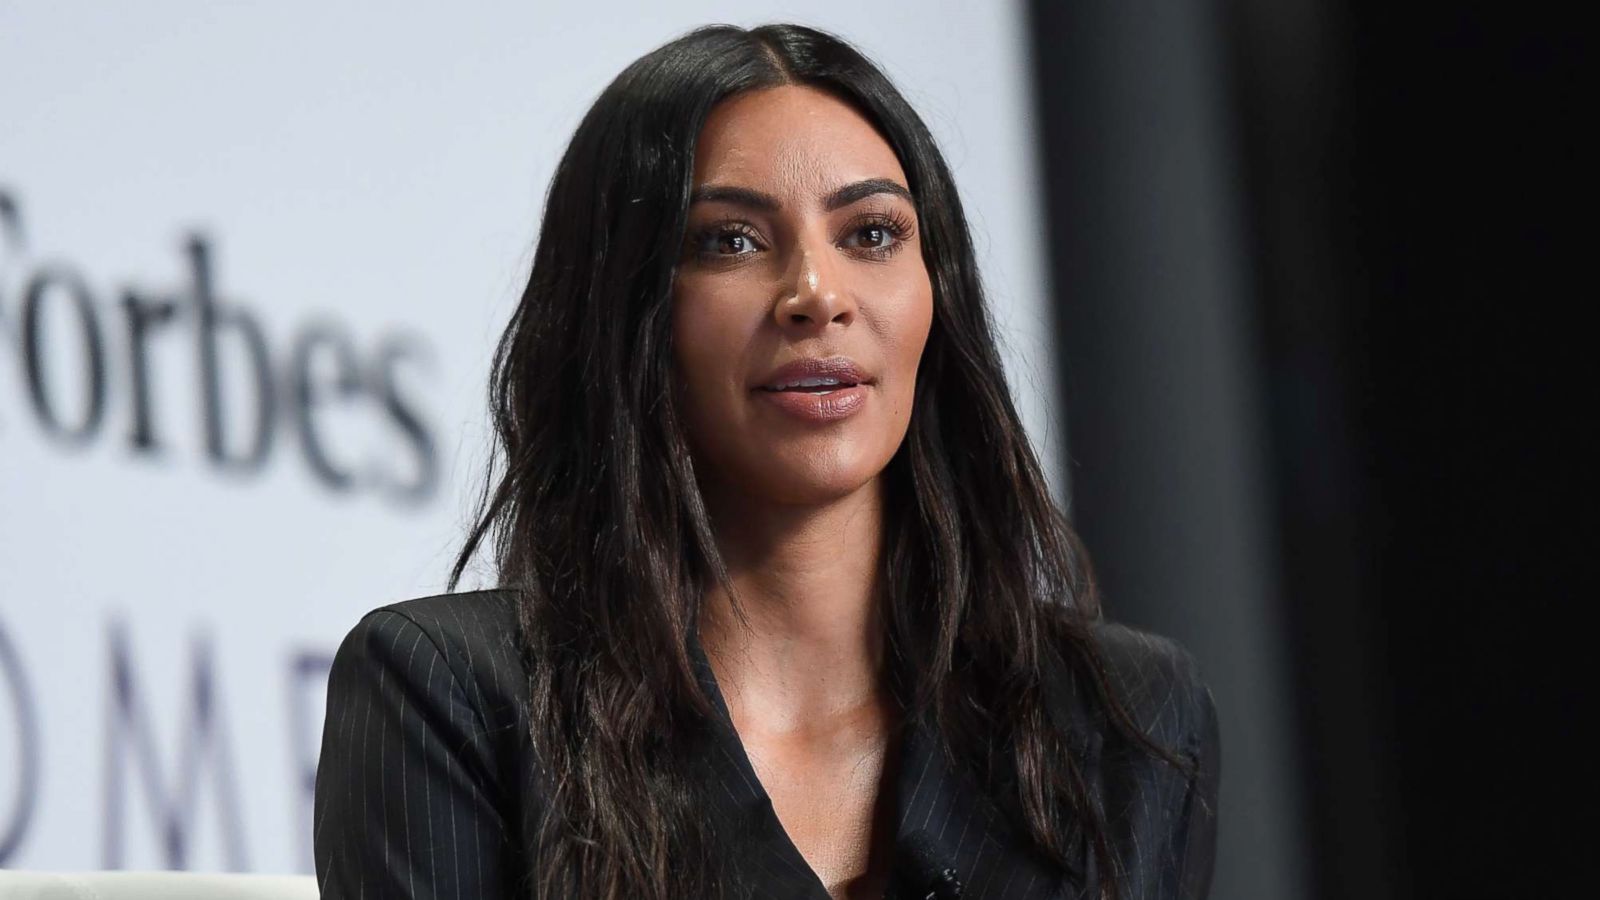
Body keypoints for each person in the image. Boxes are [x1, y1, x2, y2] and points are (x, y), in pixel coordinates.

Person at [312, 22, 1218, 900]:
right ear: (625, 311)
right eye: (729, 241)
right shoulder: (452, 696)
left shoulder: (1123, 719)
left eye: (870, 234)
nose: (816, 295)